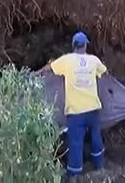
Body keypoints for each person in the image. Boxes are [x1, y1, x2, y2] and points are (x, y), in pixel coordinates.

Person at [37, 32, 107, 179]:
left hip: (76, 112)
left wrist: (35, 73)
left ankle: (74, 175)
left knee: (76, 143)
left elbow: (49, 68)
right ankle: (99, 167)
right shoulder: (94, 60)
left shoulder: (66, 61)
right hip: (93, 109)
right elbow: (104, 72)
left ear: (73, 45)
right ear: (86, 45)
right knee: (96, 138)